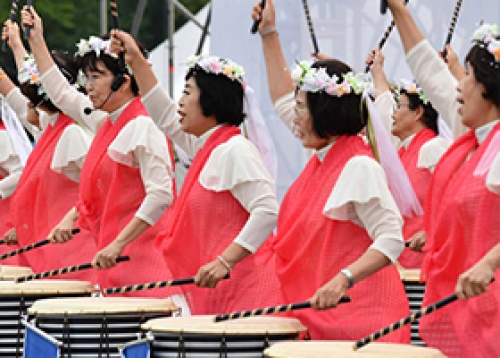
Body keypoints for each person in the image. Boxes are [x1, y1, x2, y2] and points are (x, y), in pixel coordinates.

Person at [251, 0, 410, 341]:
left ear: (324, 113)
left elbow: (392, 238)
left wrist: (344, 278)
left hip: (362, 329)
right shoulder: (324, 157)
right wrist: (268, 33)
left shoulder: (358, 165)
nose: (294, 118)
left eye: (301, 109)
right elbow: (281, 96)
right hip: (323, 319)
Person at [109, 29, 281, 315]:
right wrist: (136, 61)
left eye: (187, 93)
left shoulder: (234, 149)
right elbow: (163, 113)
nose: (179, 102)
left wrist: (224, 261)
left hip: (248, 297)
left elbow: (266, 211)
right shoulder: (207, 145)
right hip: (220, 292)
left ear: (211, 100)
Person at [21, 7, 183, 303]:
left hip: (147, 274)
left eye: (96, 77)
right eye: (86, 77)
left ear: (124, 81)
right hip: (115, 266)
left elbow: (160, 195)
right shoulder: (105, 121)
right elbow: (62, 95)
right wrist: (36, 41)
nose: (88, 86)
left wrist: (118, 244)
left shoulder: (144, 126)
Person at [387, 1, 500, 356]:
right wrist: (397, 9)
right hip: (475, 308)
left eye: (466, 75)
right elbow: (426, 67)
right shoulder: (472, 142)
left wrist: (488, 262)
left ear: (489, 87)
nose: (457, 85)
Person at [1, 19, 96, 279]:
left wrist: (69, 220)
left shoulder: (71, 133)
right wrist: (17, 44)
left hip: (73, 251)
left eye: (31, 103)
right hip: (53, 248)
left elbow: (97, 188)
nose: (25, 110)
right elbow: (17, 95)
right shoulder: (50, 127)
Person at [367, 48, 449, 268]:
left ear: (418, 112)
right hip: (403, 261)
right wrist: (377, 71)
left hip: (428, 260)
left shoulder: (433, 148)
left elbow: (454, 197)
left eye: (400, 106)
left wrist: (431, 231)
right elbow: (383, 111)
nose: (394, 113)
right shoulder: (402, 152)